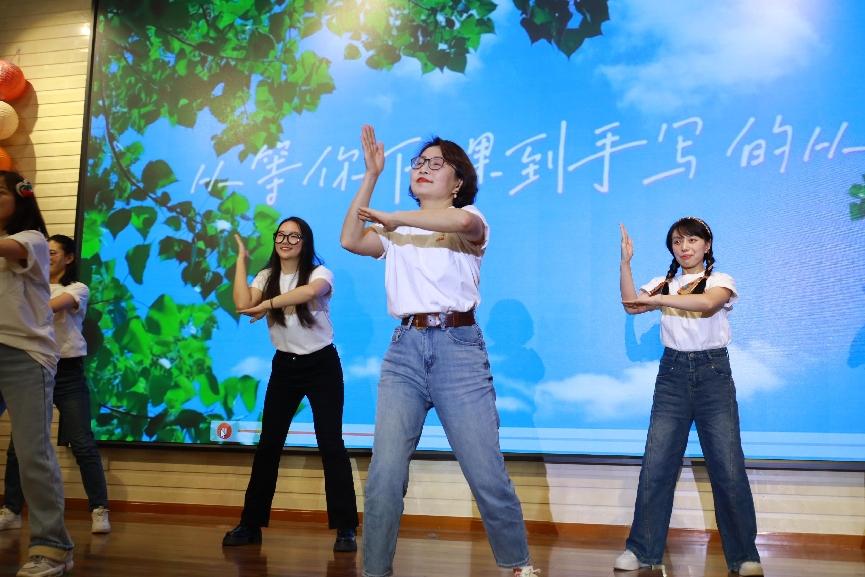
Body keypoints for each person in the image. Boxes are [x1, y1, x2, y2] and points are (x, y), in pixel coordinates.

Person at [340, 125, 538, 577]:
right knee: (385, 475)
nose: (423, 169)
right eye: (418, 163)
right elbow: (350, 239)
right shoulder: (395, 232)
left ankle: (518, 566)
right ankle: (375, 571)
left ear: (457, 181)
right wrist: (371, 175)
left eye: (436, 163)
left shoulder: (471, 218)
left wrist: (396, 219)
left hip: (458, 348)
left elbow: (462, 225)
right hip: (404, 351)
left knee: (485, 472)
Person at [616, 218, 763, 576]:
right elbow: (631, 304)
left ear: (707, 245)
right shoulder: (665, 282)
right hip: (673, 374)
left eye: (692, 240)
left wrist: (659, 299)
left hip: (713, 374)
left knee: (728, 467)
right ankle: (642, 550)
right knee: (657, 465)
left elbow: (707, 304)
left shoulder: (720, 280)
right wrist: (625, 264)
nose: (684, 247)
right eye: (677, 242)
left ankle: (744, 556)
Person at [222, 216, 359, 552]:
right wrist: (241, 262)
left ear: (305, 241)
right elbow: (242, 304)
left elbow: (308, 293)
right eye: (280, 235)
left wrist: (267, 304)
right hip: (285, 366)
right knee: (268, 445)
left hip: (322, 365)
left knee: (331, 444)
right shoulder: (266, 276)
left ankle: (345, 528)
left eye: (293, 236)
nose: (285, 241)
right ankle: (251, 524)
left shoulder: (319, 273)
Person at [0, 234, 111, 536]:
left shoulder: (77, 289)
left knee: (82, 442)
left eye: (52, 253)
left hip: (67, 373)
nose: (46, 257)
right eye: (44, 252)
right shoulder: (28, 286)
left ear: (69, 258)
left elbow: (49, 307)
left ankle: (99, 509)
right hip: (33, 367)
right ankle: (11, 509)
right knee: (19, 445)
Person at [0, 170, 74, 576]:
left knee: (33, 454)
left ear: (20, 200)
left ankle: (53, 547)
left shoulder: (32, 241)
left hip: (25, 356)